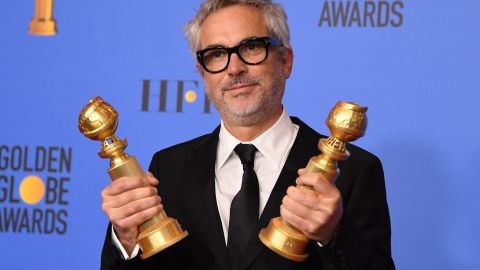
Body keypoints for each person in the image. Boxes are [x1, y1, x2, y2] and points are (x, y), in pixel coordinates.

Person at [100, 0, 395, 269]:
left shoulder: (354, 170)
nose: (234, 68)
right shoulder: (168, 167)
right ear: (202, 73)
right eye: (216, 54)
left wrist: (332, 234)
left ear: (286, 61)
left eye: (252, 47)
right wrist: (126, 239)